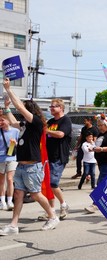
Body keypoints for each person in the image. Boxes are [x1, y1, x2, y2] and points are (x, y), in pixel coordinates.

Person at [0, 78, 59, 236]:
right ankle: (13, 225)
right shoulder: (25, 125)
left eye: (24, 110)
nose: (21, 112)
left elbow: (19, 106)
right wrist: (6, 108)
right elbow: (12, 122)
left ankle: (53, 216)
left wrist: (9, 89)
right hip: (21, 165)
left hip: (32, 167)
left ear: (30, 110)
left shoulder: (37, 122)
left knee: (35, 194)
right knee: (18, 194)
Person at [39, 99, 71, 221]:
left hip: (59, 157)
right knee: (47, 184)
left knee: (53, 183)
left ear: (61, 108)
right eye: (50, 106)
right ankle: (51, 210)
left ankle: (63, 204)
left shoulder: (66, 120)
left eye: (54, 106)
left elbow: (61, 134)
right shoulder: (51, 121)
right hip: (48, 157)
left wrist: (47, 131)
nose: (51, 108)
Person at [84, 114, 107, 213]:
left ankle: (95, 204)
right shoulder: (101, 135)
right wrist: (92, 148)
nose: (99, 127)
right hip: (102, 163)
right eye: (98, 125)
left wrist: (101, 149)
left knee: (101, 183)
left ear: (106, 124)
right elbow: (97, 145)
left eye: (101, 125)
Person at [0, 116, 19, 211]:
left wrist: (15, 143)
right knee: (1, 181)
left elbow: (20, 144)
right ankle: (2, 202)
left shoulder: (15, 131)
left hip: (11, 157)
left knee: (10, 179)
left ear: (8, 121)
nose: (0, 122)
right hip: (0, 158)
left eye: (2, 120)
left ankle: (10, 201)